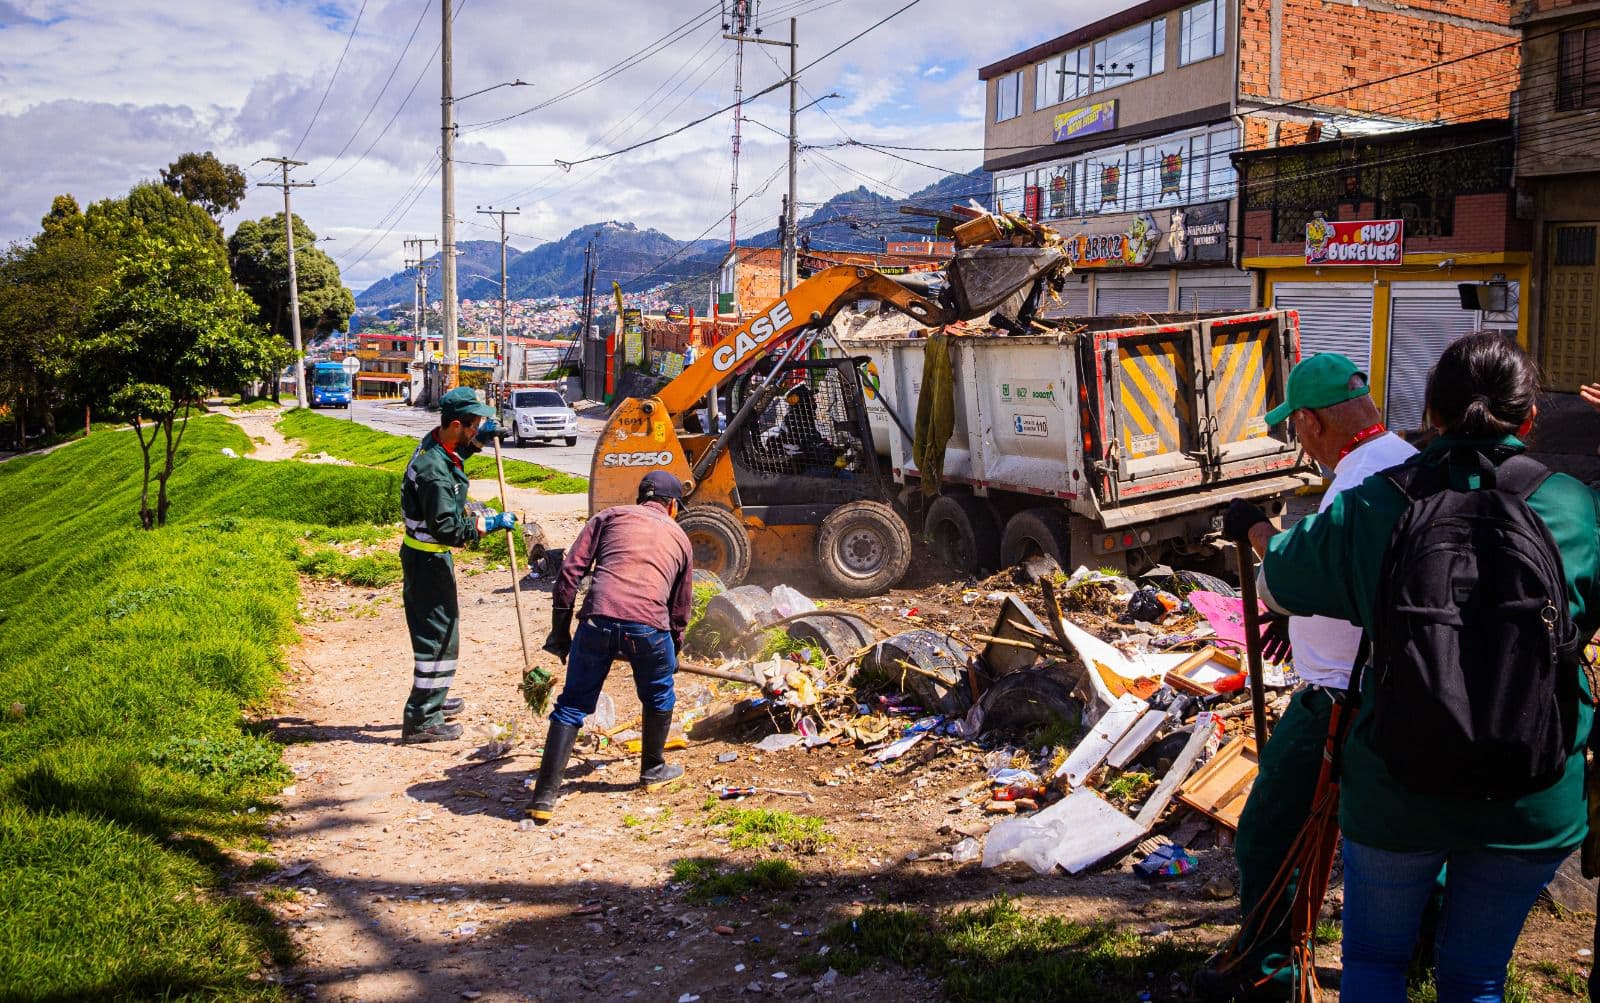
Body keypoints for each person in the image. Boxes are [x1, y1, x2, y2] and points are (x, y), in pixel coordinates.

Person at [1226, 333, 1600, 1001]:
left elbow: (1278, 581)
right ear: (1531, 418)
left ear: (1430, 411)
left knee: (1373, 963)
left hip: (1401, 785)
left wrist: (1263, 536)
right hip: (1532, 793)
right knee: (1475, 976)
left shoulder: (1378, 504)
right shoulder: (1572, 506)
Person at [1197, 354, 1415, 1001]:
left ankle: (1273, 964)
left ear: (1315, 422)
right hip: (1389, 690)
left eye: (1297, 427)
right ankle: (1418, 954)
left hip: (1338, 696)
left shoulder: (1355, 488)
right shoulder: (1404, 462)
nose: (1299, 439)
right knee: (1403, 840)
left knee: (1268, 828)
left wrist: (1258, 531)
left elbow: (1294, 575)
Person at [527, 470, 695, 823]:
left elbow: (570, 574)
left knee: (572, 704)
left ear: (641, 498)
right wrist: (672, 651)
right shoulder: (679, 537)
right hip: (649, 628)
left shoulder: (608, 517)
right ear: (672, 505)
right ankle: (652, 771)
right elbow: (680, 608)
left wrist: (560, 634)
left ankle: (543, 797)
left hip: (597, 621)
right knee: (659, 696)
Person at [398, 386, 516, 743]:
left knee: (442, 631)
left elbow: (459, 450)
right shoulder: (433, 471)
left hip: (430, 557)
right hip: (427, 560)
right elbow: (448, 528)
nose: (476, 429)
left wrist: (481, 438)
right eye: (473, 424)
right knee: (438, 639)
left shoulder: (438, 443)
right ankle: (422, 720)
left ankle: (436, 699)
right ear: (453, 424)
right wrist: (487, 524)